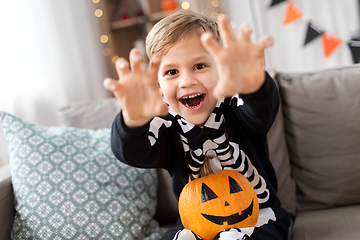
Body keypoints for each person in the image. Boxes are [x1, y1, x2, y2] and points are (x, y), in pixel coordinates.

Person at [104, 10, 290, 240]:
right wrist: (132, 121)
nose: (187, 81)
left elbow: (260, 110)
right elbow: (132, 151)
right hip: (194, 225)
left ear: (222, 70)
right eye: (172, 72)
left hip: (258, 216)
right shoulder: (165, 127)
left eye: (200, 66)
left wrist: (253, 85)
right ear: (159, 86)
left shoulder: (237, 108)